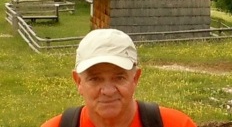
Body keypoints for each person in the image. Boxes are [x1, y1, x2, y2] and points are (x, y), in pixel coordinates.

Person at [41, 28, 197, 127]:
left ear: (135, 78)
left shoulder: (176, 124)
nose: (108, 91)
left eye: (119, 77)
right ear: (78, 81)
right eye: (95, 79)